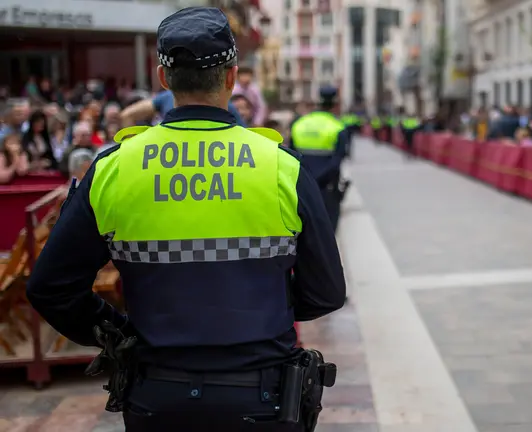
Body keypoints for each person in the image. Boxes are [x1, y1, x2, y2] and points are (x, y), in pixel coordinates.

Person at [27, 7, 345, 431]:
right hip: (263, 397)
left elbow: (51, 288)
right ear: (231, 76)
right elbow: (324, 294)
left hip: (157, 397)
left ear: (163, 78)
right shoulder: (280, 167)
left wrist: (121, 332)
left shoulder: (114, 169)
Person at [286, 87, 348, 233]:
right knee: (328, 234)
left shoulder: (299, 124)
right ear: (335, 104)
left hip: (301, 188)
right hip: (327, 190)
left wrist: (308, 181)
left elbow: (291, 157)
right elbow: (336, 162)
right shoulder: (338, 127)